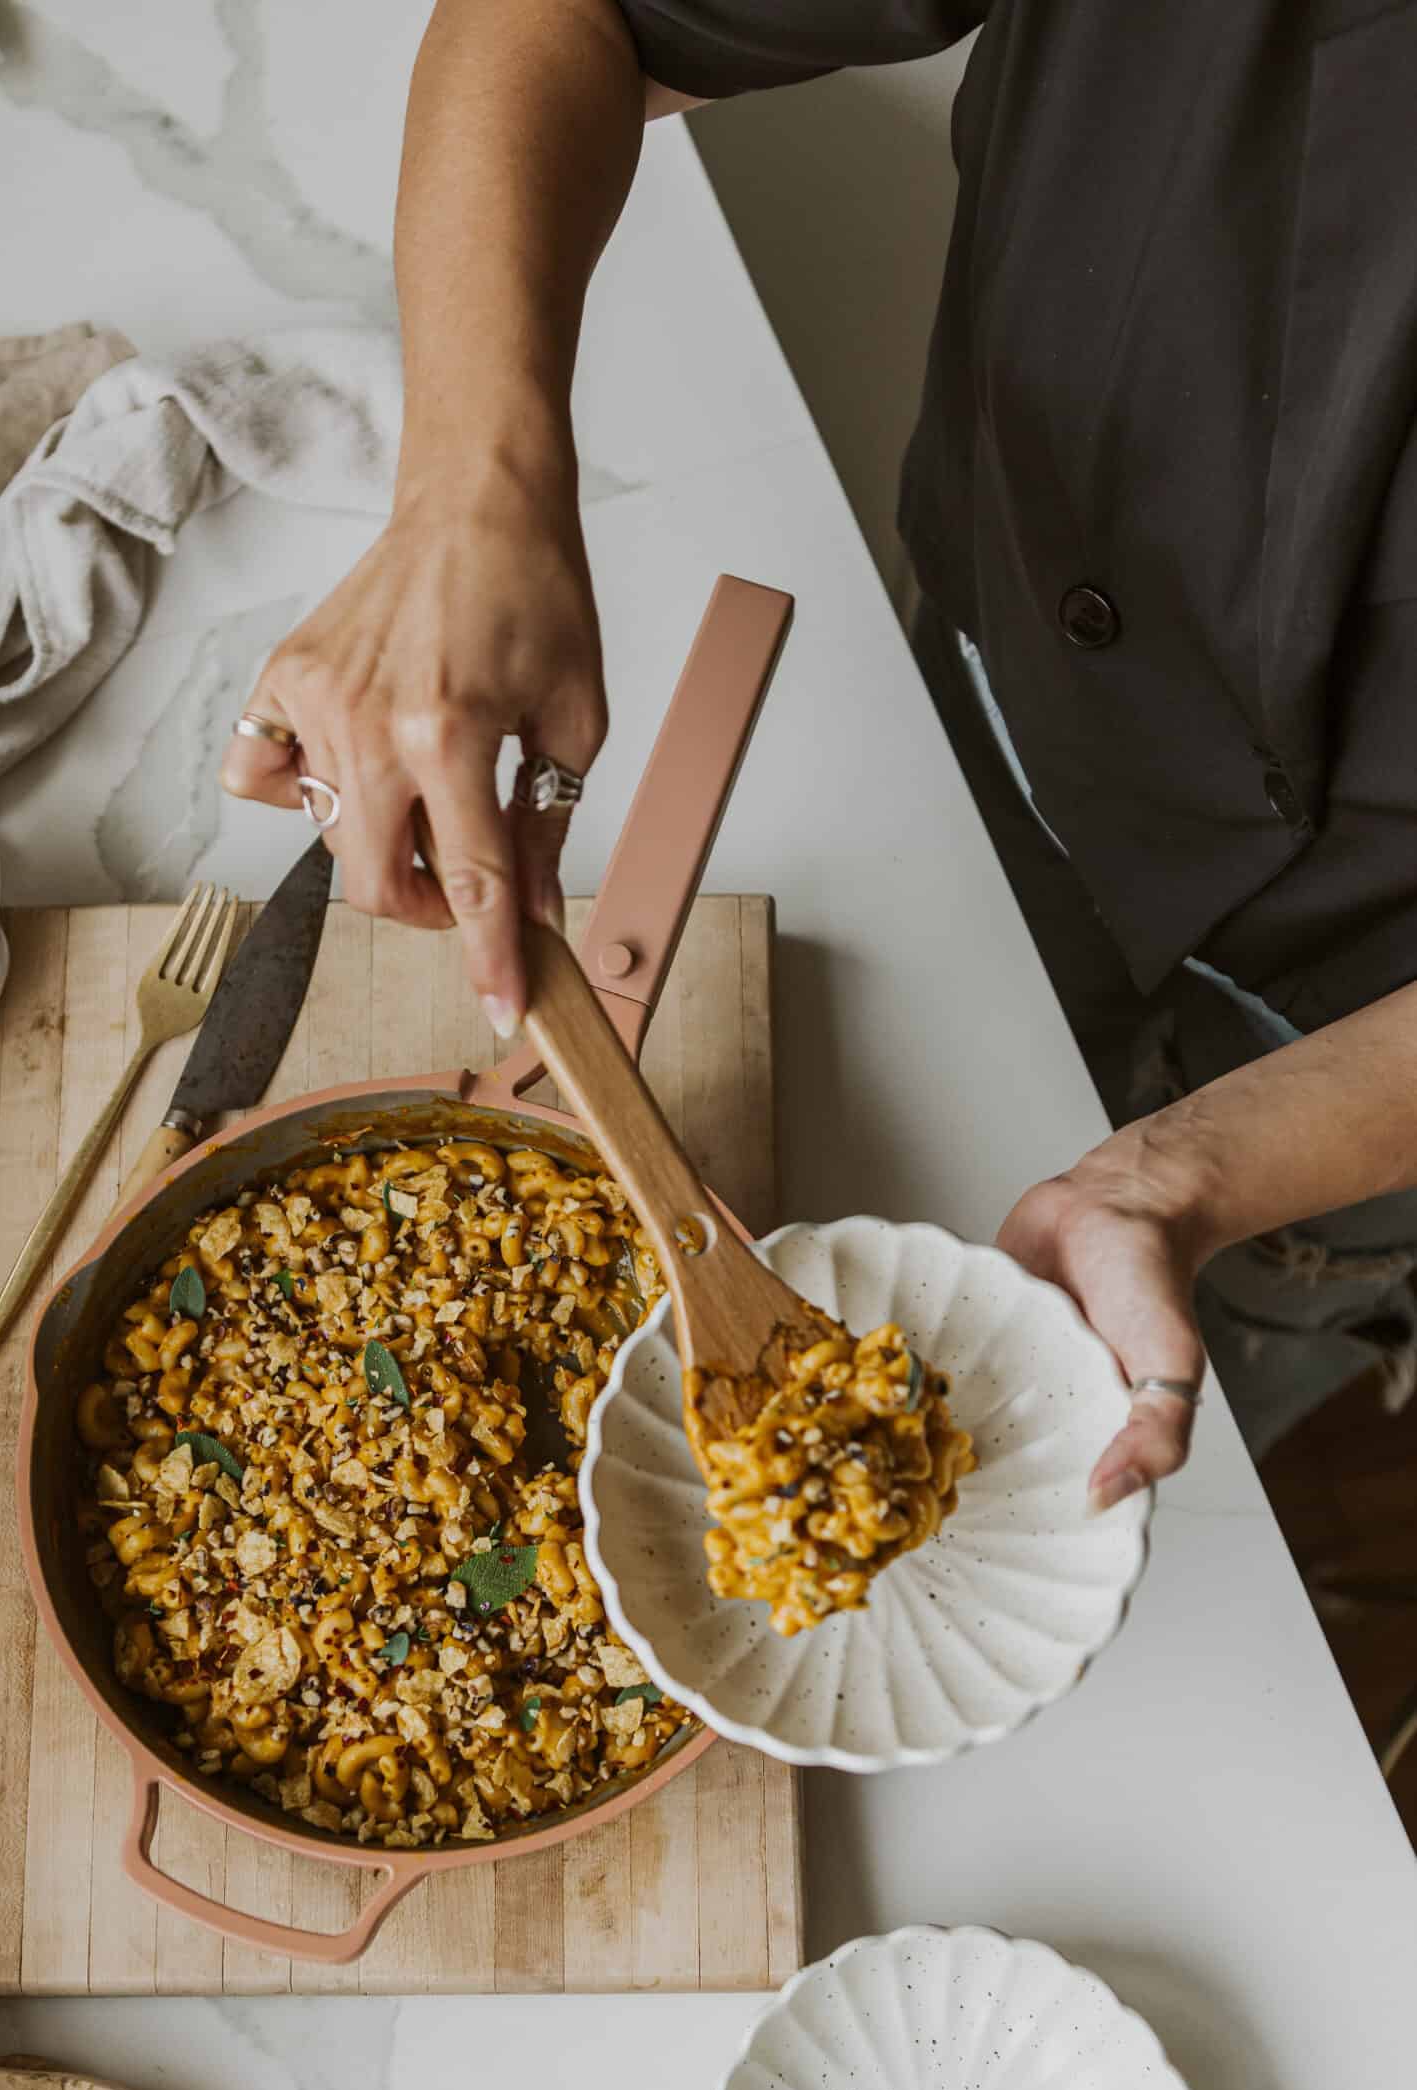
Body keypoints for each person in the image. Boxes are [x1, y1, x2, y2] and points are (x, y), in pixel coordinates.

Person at [219, 0, 1417, 1511]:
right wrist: (475, 492)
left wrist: (1191, 1181)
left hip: (1361, 1026)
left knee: (1246, 1337)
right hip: (1009, 677)